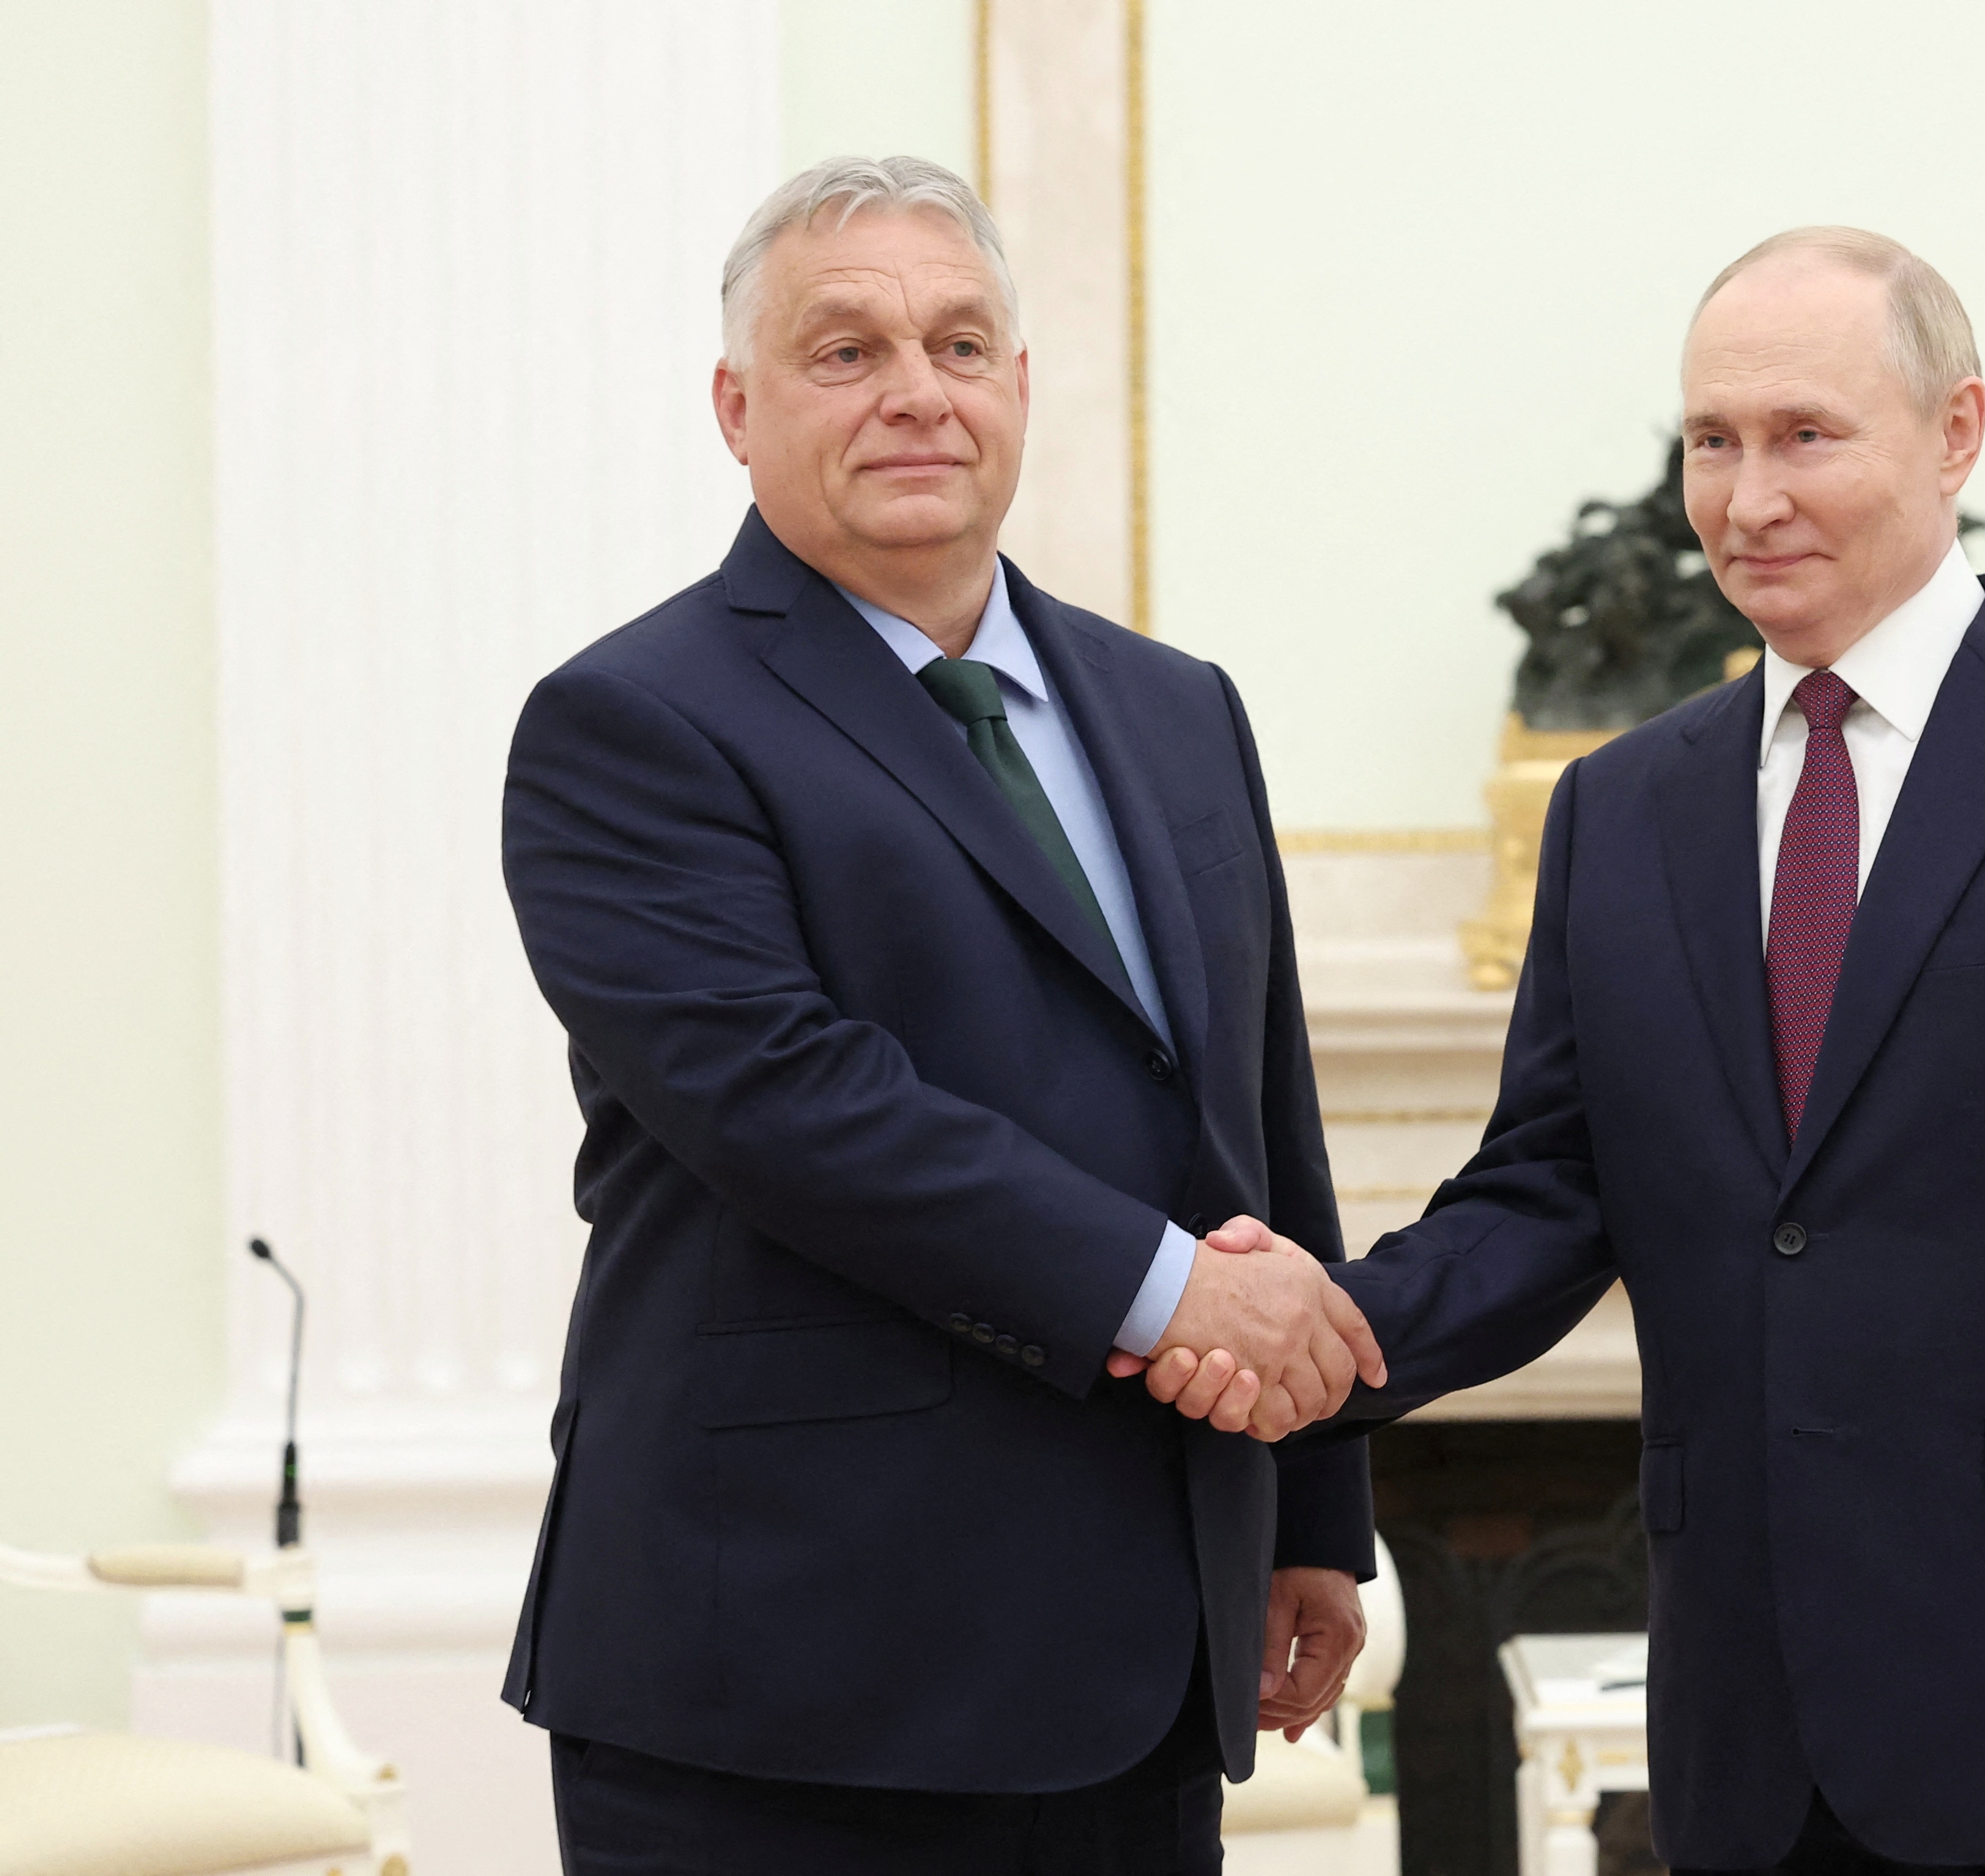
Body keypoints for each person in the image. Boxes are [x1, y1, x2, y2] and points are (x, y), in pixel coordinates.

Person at [1130, 228, 1985, 1875]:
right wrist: (1316, 1333)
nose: (1748, 497)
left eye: (1806, 435)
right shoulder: (1620, 806)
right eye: (1712, 442)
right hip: (1746, 1713)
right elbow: (1547, 1194)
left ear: (1956, 431)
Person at [498, 155, 1384, 1876]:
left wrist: (1310, 1505)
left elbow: (1261, 1116)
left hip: (1145, 1661)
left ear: (1020, 386)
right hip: (788, 1684)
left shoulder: (1179, 707)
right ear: (736, 409)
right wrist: (1175, 1291)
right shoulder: (630, 724)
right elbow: (794, 1104)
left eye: (961, 344)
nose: (918, 390)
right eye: (847, 352)